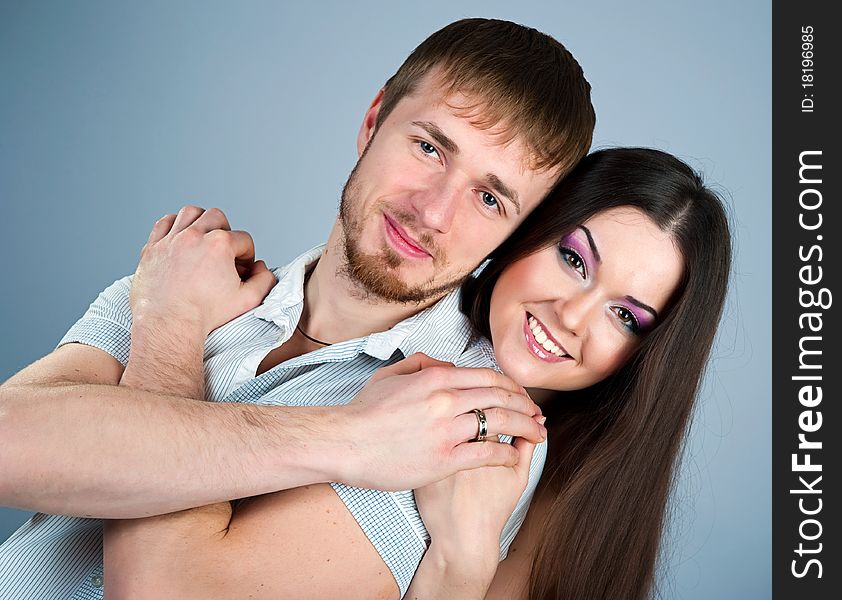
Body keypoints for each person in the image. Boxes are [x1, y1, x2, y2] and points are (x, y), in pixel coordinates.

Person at [0, 18, 595, 600]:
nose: (433, 211)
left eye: (489, 199)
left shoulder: (465, 423)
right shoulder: (178, 286)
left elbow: (164, 589)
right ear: (372, 121)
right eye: (429, 147)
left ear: (515, 235)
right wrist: (348, 438)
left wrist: (166, 332)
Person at [404, 148, 733, 599]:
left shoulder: (572, 522)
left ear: (646, 356)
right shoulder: (400, 308)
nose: (573, 317)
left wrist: (465, 557)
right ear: (533, 227)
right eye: (575, 261)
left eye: (625, 316)